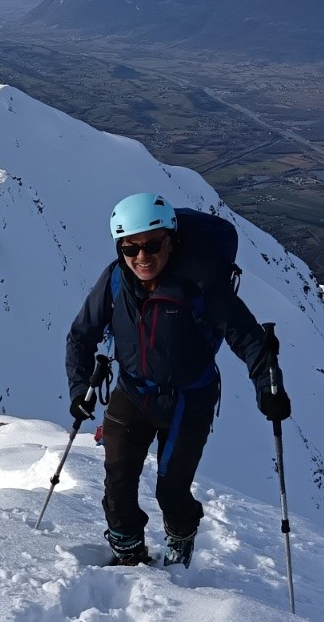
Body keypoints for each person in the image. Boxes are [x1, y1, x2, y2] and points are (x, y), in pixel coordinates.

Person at [65, 192, 291, 567]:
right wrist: (79, 389)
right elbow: (80, 336)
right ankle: (128, 553)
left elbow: (249, 338)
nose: (142, 257)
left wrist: (269, 388)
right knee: (118, 485)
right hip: (132, 394)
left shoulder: (202, 282)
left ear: (170, 240)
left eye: (152, 245)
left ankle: (181, 536)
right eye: (130, 248)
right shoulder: (115, 280)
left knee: (172, 491)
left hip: (189, 402)